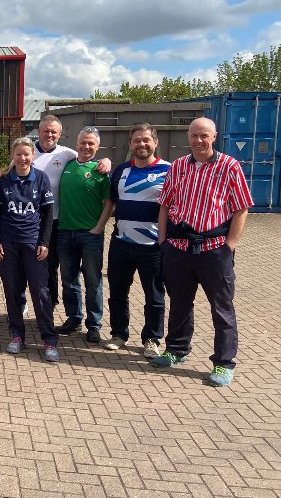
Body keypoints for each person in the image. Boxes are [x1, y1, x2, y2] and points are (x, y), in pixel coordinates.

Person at [152, 117, 253, 387]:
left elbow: (241, 207)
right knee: (180, 304)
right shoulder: (178, 167)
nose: (199, 140)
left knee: (221, 308)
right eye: (194, 135)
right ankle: (176, 349)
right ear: (188, 137)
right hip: (179, 248)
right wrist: (163, 241)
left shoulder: (230, 167)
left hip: (213, 250)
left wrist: (229, 245)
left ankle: (223, 363)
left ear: (214, 136)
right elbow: (165, 204)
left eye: (204, 135)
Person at [103, 124, 170, 358]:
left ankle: (151, 339)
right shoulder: (121, 171)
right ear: (130, 144)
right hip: (121, 243)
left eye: (146, 140)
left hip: (153, 246)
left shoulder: (169, 170)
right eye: (136, 141)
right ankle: (119, 334)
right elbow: (111, 202)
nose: (141, 145)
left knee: (154, 295)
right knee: (117, 292)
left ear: (155, 142)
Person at [0, 137, 59, 362]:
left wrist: (45, 242)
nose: (22, 158)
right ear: (13, 155)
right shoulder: (3, 181)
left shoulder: (41, 178)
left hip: (33, 245)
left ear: (33, 156)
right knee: (12, 291)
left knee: (40, 293)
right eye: (18, 154)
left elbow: (48, 215)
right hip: (8, 246)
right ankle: (17, 335)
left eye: (26, 154)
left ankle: (49, 339)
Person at [32, 115, 111, 308]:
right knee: (37, 266)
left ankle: (51, 304)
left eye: (53, 131)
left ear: (60, 134)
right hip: (31, 221)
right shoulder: (28, 151)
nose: (49, 134)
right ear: (39, 131)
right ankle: (36, 303)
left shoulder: (67, 153)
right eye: (45, 130)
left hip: (58, 222)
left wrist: (107, 161)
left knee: (53, 267)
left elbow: (89, 159)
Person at [56, 126, 113, 343]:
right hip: (65, 232)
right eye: (83, 142)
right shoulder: (67, 166)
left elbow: (109, 203)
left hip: (90, 234)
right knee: (69, 280)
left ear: (97, 147)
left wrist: (99, 228)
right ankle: (74, 318)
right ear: (76, 143)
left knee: (93, 281)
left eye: (91, 143)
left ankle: (94, 324)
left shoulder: (101, 172)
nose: (86, 147)